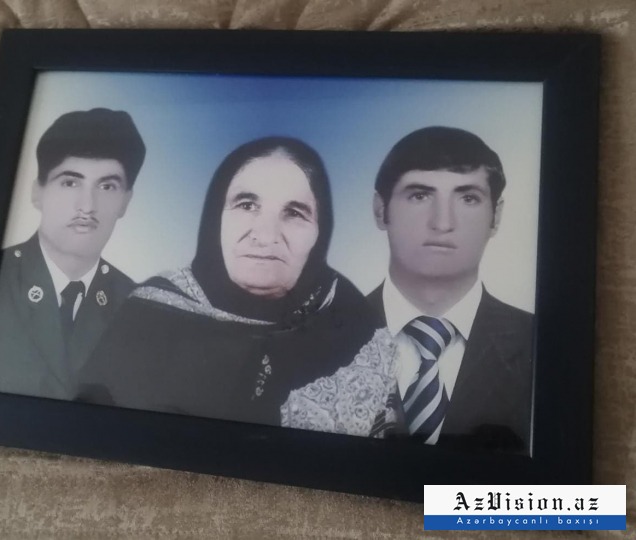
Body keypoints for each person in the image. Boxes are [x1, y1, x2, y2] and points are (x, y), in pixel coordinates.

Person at [77, 136, 383, 427]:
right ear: (216, 218)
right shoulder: (149, 316)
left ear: (320, 230)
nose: (266, 236)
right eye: (247, 205)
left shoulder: (349, 317)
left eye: (294, 213)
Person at [281, 127, 533, 451]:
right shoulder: (310, 342)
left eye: (468, 198)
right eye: (419, 196)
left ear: (496, 216)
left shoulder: (540, 343)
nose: (443, 223)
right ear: (380, 210)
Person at [0, 108, 146, 400]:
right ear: (37, 192)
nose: (87, 206)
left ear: (125, 202)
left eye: (107, 186)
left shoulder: (139, 309)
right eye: (70, 182)